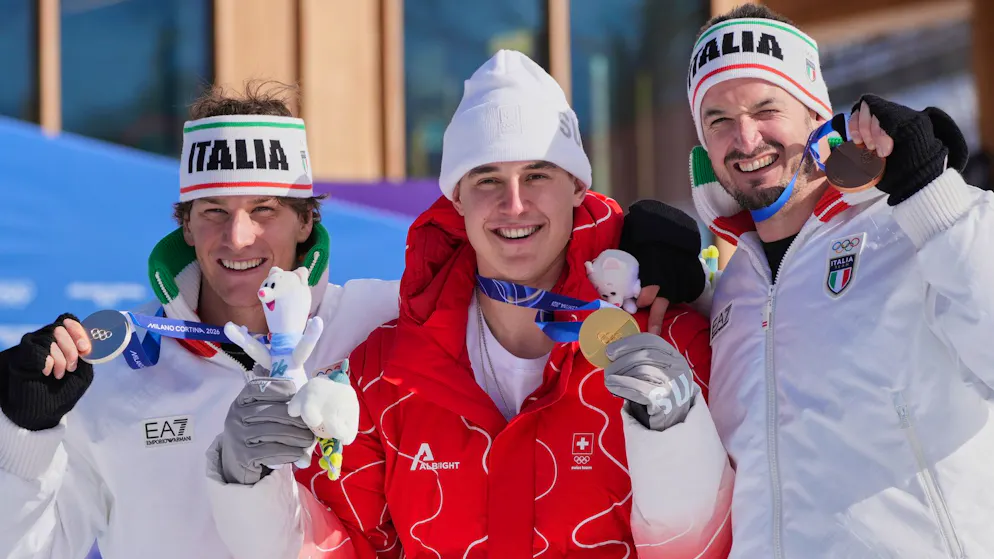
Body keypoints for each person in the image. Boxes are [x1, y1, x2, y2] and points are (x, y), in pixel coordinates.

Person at [205, 49, 733, 558]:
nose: (515, 204)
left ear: (576, 185)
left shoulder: (668, 341)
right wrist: (246, 486)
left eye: (537, 175)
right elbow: (341, 547)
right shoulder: (383, 377)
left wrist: (676, 437)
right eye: (487, 180)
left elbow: (711, 547)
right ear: (455, 198)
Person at [622, 3, 994, 558]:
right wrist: (693, 300)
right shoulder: (734, 291)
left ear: (815, 111)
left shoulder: (909, 231)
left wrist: (934, 197)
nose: (745, 139)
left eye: (765, 108)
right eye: (719, 120)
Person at [0, 82, 400, 559]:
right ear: (186, 225)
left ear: (305, 221)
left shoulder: (378, 325)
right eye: (214, 211)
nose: (238, 236)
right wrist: (23, 437)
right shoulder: (115, 367)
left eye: (263, 210)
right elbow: (33, 550)